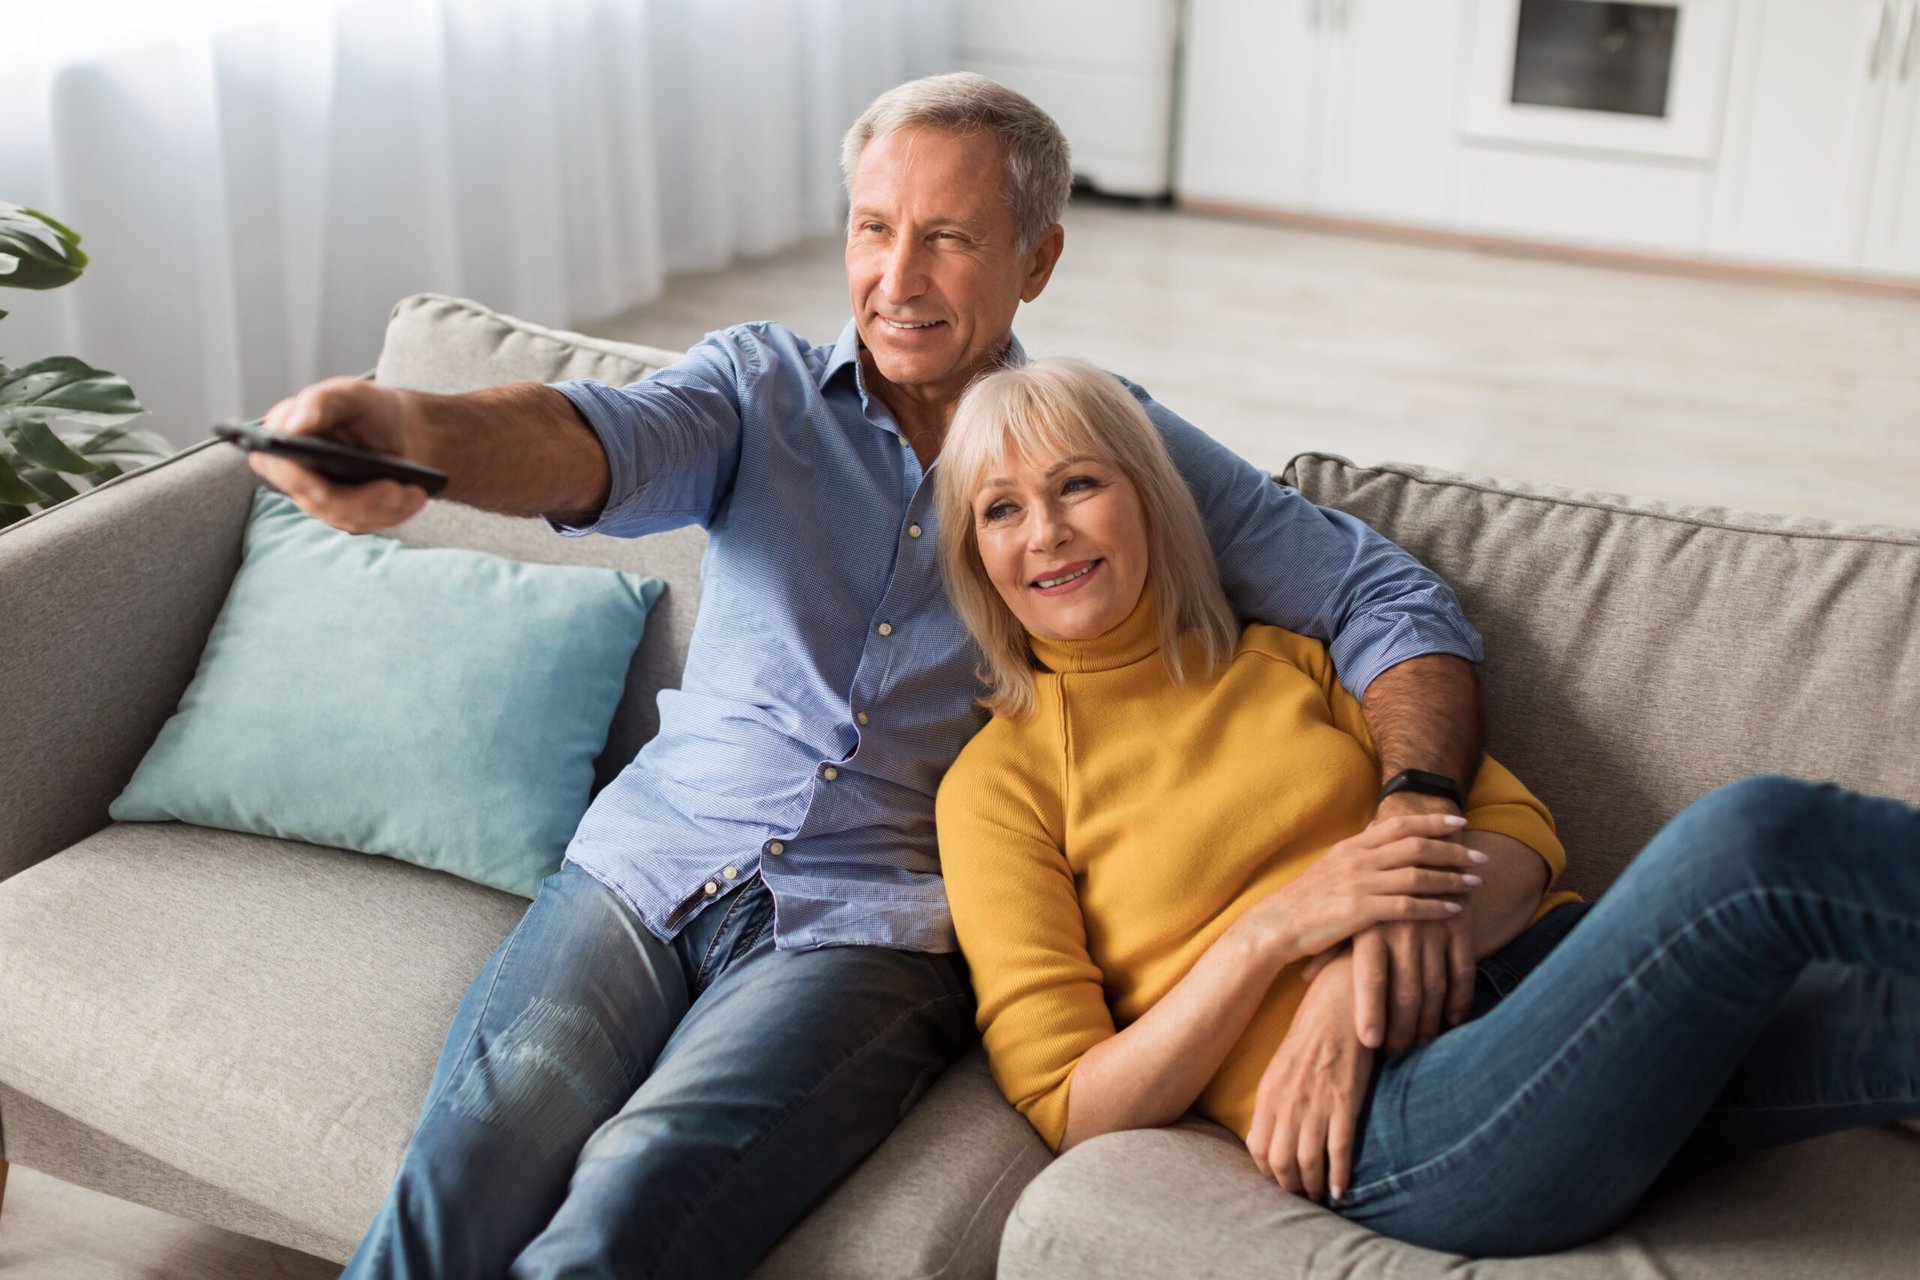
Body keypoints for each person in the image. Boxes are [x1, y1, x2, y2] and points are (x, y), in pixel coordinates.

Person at [250, 75, 1494, 1279]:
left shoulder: (1103, 450)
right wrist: (419, 438)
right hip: (647, 866)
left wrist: (1418, 798)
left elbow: (1386, 596)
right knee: (468, 1160)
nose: (895, 282)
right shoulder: (756, 389)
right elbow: (592, 442)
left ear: (1037, 262)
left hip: (870, 927)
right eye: (873, 229)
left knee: (633, 1195)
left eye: (948, 238)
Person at [932, 355, 1920, 1257]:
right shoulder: (998, 786)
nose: (1047, 530)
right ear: (975, 558)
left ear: (1147, 498)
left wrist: (1349, 972)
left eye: (1078, 483)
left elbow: (1522, 836)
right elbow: (1074, 1102)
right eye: (1001, 509)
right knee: (1748, 842)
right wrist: (1274, 931)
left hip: (1554, 985)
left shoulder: (1292, 657)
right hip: (1406, 1122)